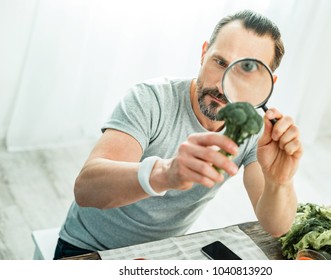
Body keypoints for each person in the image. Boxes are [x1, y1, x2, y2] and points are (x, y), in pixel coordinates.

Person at [54, 10, 303, 259]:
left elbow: (276, 227)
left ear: (268, 82)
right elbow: (86, 189)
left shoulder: (254, 131)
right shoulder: (150, 99)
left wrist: (279, 181)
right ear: (204, 53)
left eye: (246, 70)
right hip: (87, 248)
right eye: (220, 62)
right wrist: (165, 173)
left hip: (159, 253)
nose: (221, 85)